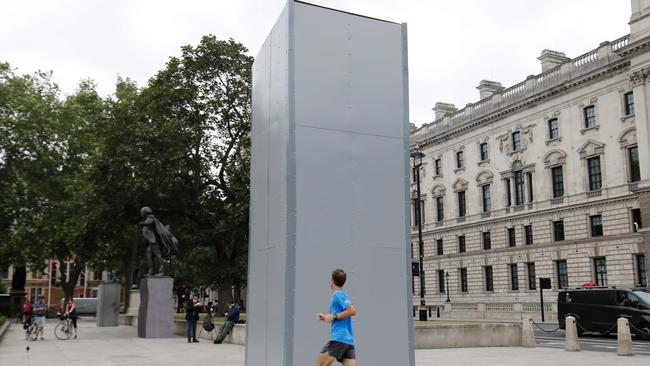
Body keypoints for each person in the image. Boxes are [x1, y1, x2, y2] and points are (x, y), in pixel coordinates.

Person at [315, 269, 357, 366]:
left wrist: (334, 316)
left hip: (339, 339)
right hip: (347, 341)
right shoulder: (343, 295)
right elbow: (338, 316)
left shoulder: (337, 295)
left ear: (332, 280)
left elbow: (352, 311)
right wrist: (325, 317)